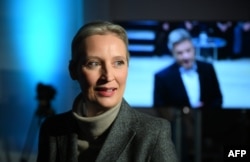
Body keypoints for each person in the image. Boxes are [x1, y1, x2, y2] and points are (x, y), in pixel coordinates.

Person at [37, 21, 178, 162]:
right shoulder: (52, 129)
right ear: (73, 70)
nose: (108, 76)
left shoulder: (153, 133)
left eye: (118, 63)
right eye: (94, 63)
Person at [153, 28, 223, 109]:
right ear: (172, 53)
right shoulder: (162, 77)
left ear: (194, 48)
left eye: (188, 50)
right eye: (180, 53)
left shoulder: (208, 69)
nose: (186, 57)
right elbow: (159, 109)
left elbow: (218, 99)